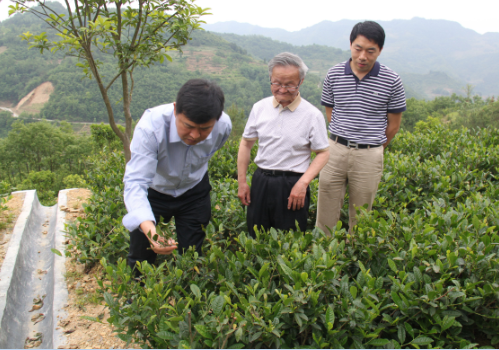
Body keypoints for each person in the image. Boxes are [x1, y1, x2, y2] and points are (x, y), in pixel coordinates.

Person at [123, 79, 232, 273]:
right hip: (154, 190)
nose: (195, 135)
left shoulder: (223, 127)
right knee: (141, 253)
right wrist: (152, 232)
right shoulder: (150, 128)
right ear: (175, 110)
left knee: (192, 253)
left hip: (194, 190)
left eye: (205, 129)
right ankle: (136, 296)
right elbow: (136, 182)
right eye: (188, 125)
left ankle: (188, 297)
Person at [316, 21, 406, 233]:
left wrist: (373, 148)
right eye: (358, 48)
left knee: (362, 215)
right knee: (325, 210)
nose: (362, 56)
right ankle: (324, 257)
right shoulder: (334, 74)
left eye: (370, 51)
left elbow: (393, 126)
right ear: (350, 45)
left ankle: (354, 259)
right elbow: (331, 113)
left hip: (369, 153)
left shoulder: (392, 80)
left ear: (380, 50)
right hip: (334, 150)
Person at [237, 52, 329, 237]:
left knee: (291, 240)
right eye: (277, 83)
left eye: (289, 85)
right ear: (270, 78)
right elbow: (246, 144)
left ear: (301, 82)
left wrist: (303, 183)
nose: (282, 89)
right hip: (261, 181)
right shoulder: (259, 108)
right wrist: (242, 182)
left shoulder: (312, 115)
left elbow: (323, 153)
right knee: (256, 236)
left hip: (292, 184)